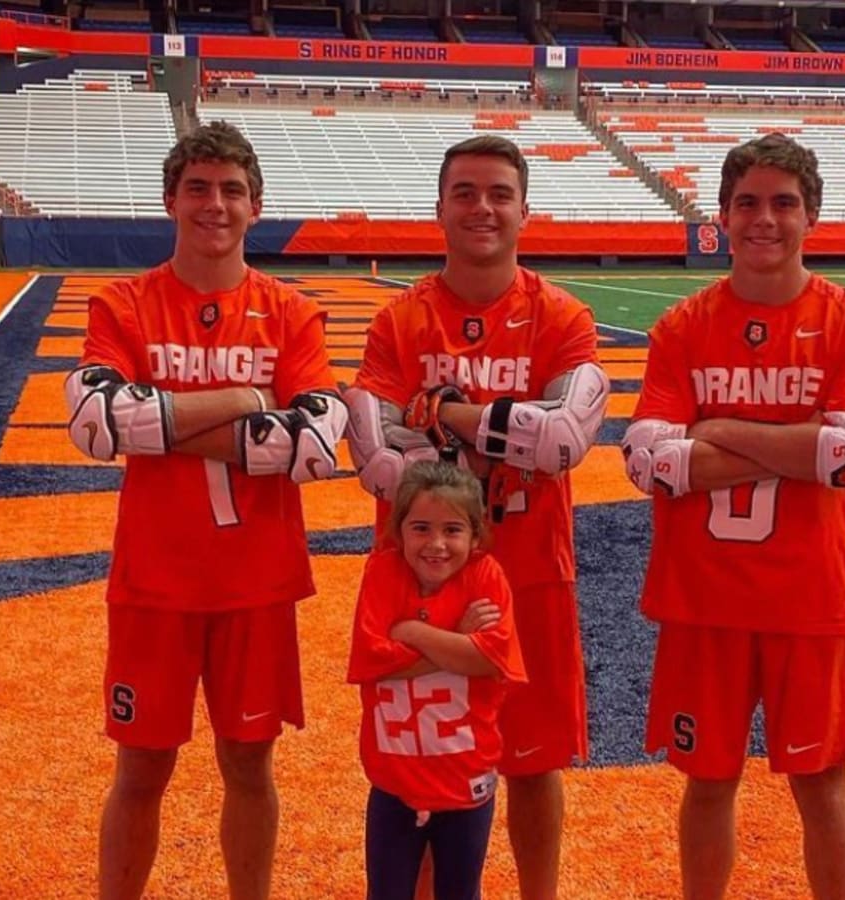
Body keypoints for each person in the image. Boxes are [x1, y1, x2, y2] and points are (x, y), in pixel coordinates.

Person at [63, 121, 346, 900]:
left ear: (256, 206)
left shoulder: (292, 313)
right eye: (198, 188)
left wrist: (162, 422)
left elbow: (317, 443)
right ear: (170, 200)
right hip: (156, 581)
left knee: (249, 763)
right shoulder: (123, 303)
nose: (214, 204)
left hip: (257, 580)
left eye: (230, 190)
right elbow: (95, 424)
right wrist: (251, 402)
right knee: (141, 766)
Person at [622, 132, 845, 900]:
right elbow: (651, 464)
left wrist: (719, 433)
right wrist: (800, 444)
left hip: (813, 597)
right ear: (721, 216)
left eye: (783, 204)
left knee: (821, 782)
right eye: (748, 203)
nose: (764, 220)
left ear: (812, 217)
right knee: (707, 782)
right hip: (704, 596)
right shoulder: (682, 326)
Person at [345, 134, 610, 900]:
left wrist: (445, 414)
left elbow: (564, 443)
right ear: (439, 209)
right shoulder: (400, 320)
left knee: (533, 765)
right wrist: (507, 427)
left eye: (498, 193)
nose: (482, 207)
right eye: (464, 192)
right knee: (423, 766)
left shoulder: (562, 316)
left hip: (530, 569)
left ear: (526, 210)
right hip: (419, 582)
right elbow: (378, 461)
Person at [348, 461, 527, 900]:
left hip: (466, 782)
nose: (436, 544)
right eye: (421, 528)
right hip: (394, 782)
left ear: (475, 536)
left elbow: (490, 659)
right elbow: (372, 661)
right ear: (399, 529)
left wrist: (410, 633)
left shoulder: (487, 575)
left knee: (460, 892)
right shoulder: (382, 571)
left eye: (452, 530)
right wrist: (458, 643)